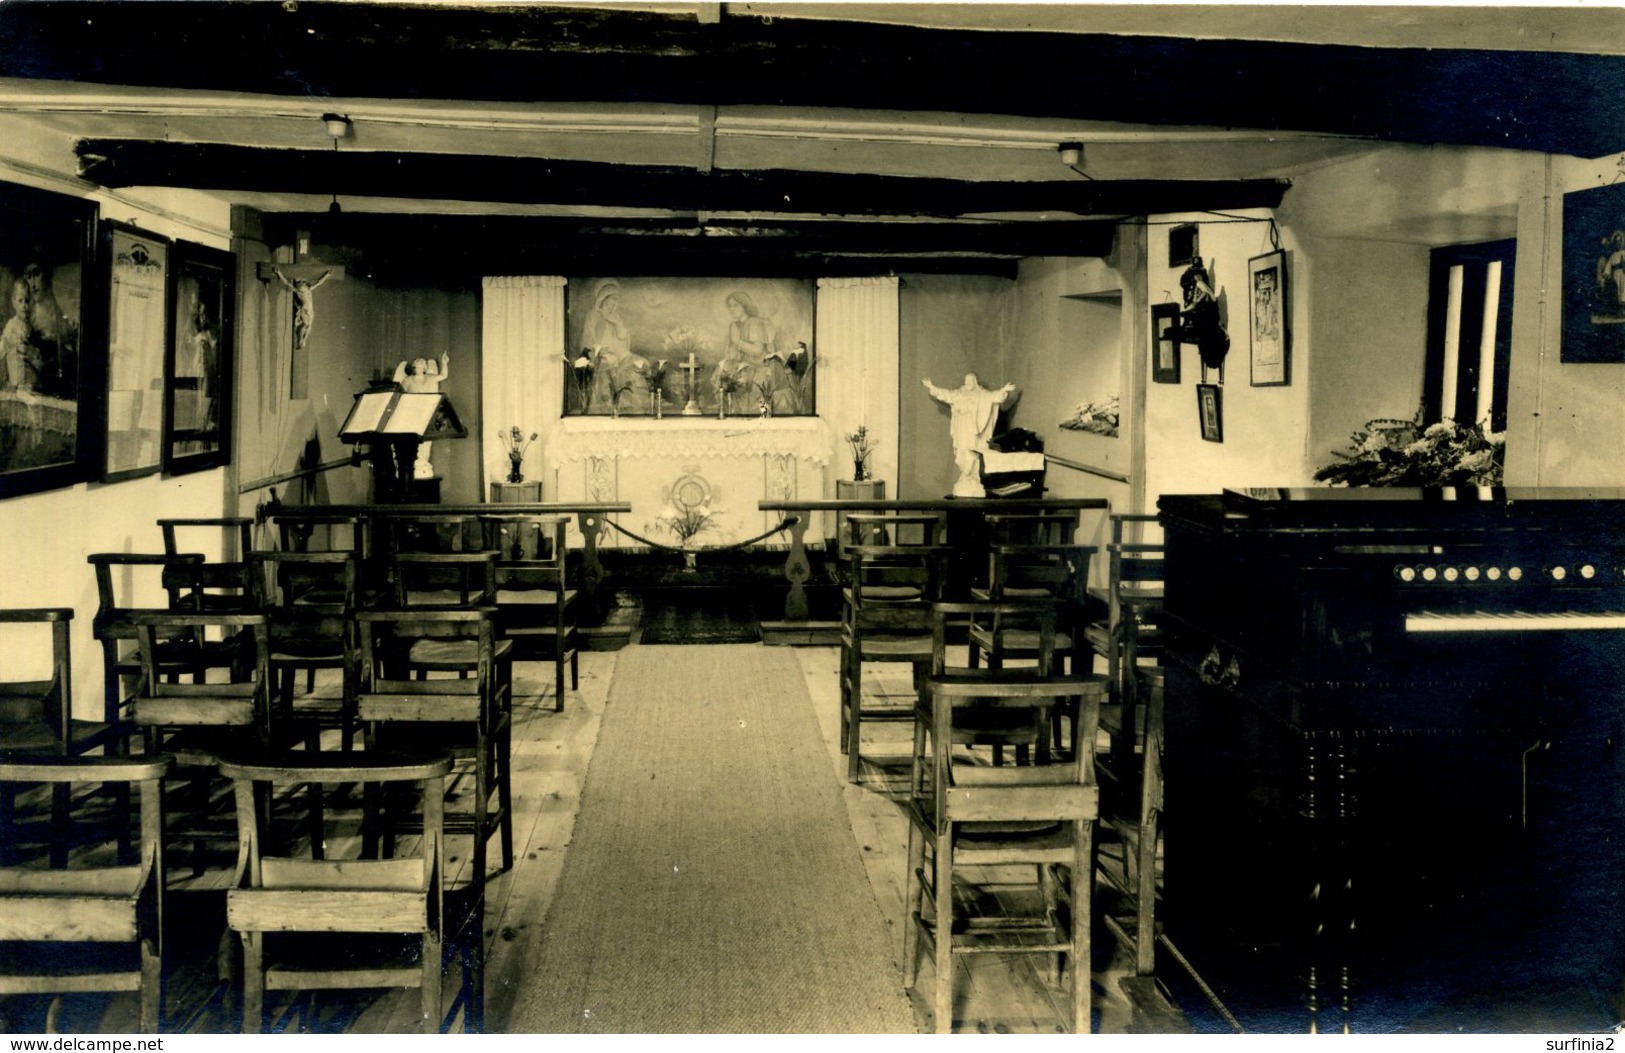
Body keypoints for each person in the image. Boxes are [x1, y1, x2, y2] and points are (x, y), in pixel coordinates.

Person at [922, 372, 1015, 497]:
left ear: (975, 382)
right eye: (967, 381)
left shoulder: (981, 394)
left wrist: (1004, 390)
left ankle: (973, 477)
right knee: (962, 451)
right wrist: (931, 387)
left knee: (974, 452)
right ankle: (965, 476)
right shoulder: (960, 393)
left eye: (971, 381)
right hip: (962, 429)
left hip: (975, 431)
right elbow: (947, 395)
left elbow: (993, 396)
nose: (969, 383)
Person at [393, 353, 451, 479]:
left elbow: (443, 376)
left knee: (426, 442)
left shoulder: (430, 378)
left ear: (424, 368)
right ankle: (413, 463)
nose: (418, 368)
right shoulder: (408, 380)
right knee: (413, 440)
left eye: (420, 366)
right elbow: (399, 394)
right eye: (416, 366)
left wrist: (444, 363)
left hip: (427, 414)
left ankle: (423, 463)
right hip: (413, 414)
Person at [711, 290, 772, 406]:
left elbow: (757, 351)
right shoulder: (734, 325)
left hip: (756, 367)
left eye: (735, 305)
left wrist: (738, 342)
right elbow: (731, 353)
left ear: (744, 306)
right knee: (719, 372)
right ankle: (725, 409)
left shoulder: (754, 323)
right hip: (740, 365)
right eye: (729, 306)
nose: (731, 309)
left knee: (740, 382)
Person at [583, 281, 631, 412]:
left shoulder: (616, 316)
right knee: (609, 366)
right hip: (599, 354)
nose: (614, 305)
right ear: (603, 298)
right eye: (612, 300)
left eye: (617, 302)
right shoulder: (593, 315)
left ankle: (624, 404)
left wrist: (617, 323)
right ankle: (606, 405)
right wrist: (599, 351)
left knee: (635, 364)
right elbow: (588, 339)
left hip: (617, 352)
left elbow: (622, 337)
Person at [273, 268, 332, 353]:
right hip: (307, 309)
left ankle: (303, 340)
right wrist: (279, 273)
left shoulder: (304, 289)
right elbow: (286, 282)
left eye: (303, 282)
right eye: (301, 283)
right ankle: (302, 340)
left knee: (307, 325)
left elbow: (319, 282)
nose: (302, 283)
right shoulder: (302, 290)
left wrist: (327, 275)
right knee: (307, 325)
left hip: (307, 309)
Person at [0, 277, 41, 393]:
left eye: (27, 301)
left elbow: (35, 355)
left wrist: (34, 353)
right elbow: (3, 345)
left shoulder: (30, 327)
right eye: (20, 301)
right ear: (13, 302)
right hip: (17, 381)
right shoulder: (12, 325)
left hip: (29, 380)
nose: (24, 306)